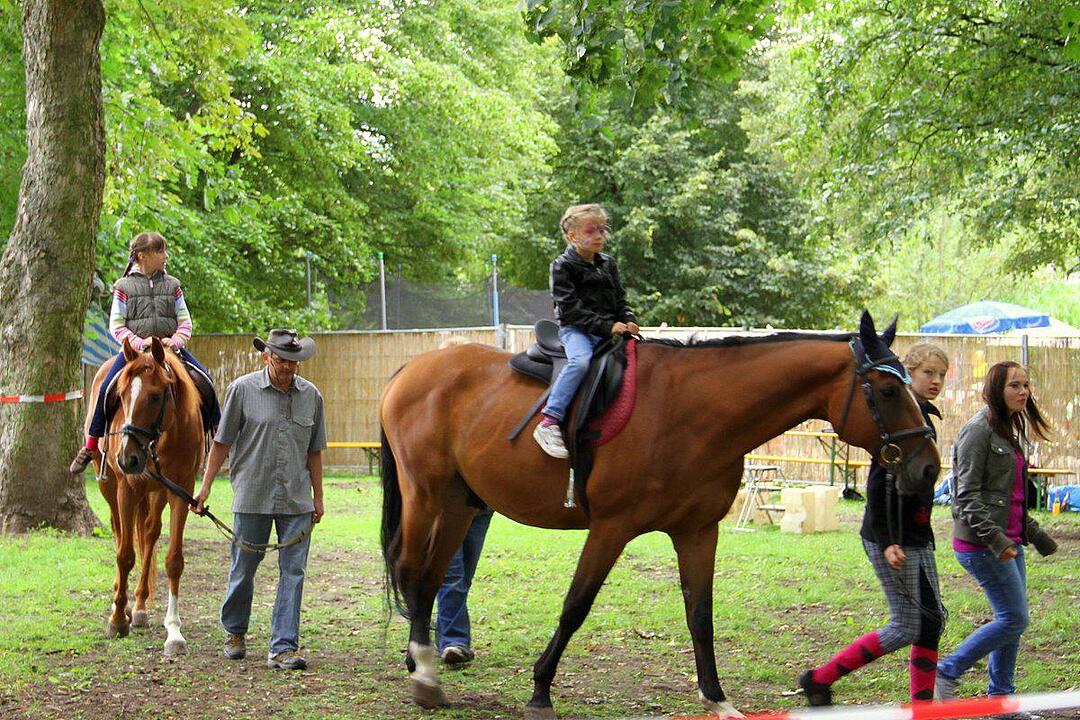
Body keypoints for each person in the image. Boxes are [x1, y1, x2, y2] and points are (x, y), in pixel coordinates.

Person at [799, 343, 950, 706]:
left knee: (932, 621)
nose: (936, 380)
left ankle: (922, 709)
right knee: (906, 625)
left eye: (941, 374)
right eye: (928, 372)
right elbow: (878, 487)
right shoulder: (896, 417)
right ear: (908, 372)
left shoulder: (921, 416)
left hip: (917, 535)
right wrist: (888, 541)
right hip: (891, 539)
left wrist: (921, 536)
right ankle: (819, 679)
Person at [192, 329, 326, 670]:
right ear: (267, 357)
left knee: (293, 572)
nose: (289, 368)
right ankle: (235, 630)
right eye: (282, 360)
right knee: (243, 568)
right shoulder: (242, 390)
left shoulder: (312, 396)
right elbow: (221, 444)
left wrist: (319, 496)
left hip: (297, 499)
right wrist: (204, 488)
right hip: (252, 495)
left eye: (294, 362)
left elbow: (314, 451)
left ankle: (283, 647)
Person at [935, 361, 1058, 702]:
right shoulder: (979, 431)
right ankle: (948, 669)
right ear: (994, 391)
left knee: (1011, 624)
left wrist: (1036, 535)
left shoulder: (1009, 429)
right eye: (1014, 386)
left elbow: (1011, 496)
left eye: (1025, 385)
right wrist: (998, 540)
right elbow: (966, 497)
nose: (1023, 392)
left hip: (1010, 541)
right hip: (981, 545)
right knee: (1014, 618)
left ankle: (1001, 698)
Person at [70, 231, 220, 474]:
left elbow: (185, 321)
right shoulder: (123, 287)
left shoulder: (173, 285)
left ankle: (220, 435)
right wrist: (140, 343)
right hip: (134, 353)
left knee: (207, 382)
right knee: (106, 388)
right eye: (159, 251)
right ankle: (90, 445)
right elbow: (117, 325)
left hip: (171, 351)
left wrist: (174, 341)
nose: (165, 256)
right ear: (142, 256)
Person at [533, 203, 639, 458]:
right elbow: (570, 309)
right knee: (580, 362)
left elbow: (620, 300)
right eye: (591, 231)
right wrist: (606, 326)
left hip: (610, 331)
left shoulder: (608, 264)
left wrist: (628, 318)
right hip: (577, 331)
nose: (599, 236)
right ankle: (550, 419)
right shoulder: (562, 266)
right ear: (572, 236)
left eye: (602, 230)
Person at [436, 507, 495, 666]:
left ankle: (444, 636)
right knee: (452, 577)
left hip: (481, 507)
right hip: (446, 507)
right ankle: (454, 641)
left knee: (464, 577)